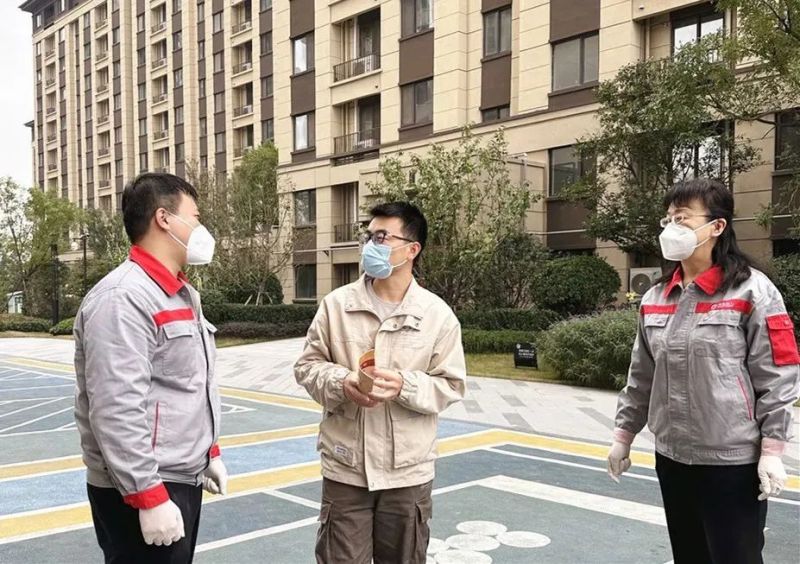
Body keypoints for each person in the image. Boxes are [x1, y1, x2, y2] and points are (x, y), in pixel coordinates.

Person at [608, 178, 800, 564]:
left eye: (682, 218)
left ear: (717, 226)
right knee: (690, 555)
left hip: (732, 462)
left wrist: (772, 450)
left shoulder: (753, 292)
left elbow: (778, 375)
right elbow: (641, 375)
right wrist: (623, 436)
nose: (671, 227)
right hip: (673, 458)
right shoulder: (656, 297)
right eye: (667, 219)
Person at [295, 202, 467, 564]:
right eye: (369, 236)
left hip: (407, 473)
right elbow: (307, 367)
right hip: (346, 469)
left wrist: (404, 386)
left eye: (382, 237)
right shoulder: (336, 305)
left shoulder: (437, 315)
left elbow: (451, 384)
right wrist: (342, 382)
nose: (370, 245)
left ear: (412, 249)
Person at [74, 173, 228, 564]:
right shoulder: (123, 298)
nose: (200, 228)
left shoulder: (179, 293)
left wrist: (208, 452)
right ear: (164, 219)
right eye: (195, 217)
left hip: (178, 477)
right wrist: (148, 495)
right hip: (142, 486)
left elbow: (186, 386)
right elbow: (116, 407)